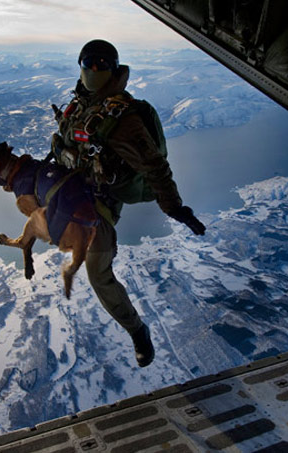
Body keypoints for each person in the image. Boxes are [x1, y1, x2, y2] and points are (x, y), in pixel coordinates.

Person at [50, 39, 206, 367]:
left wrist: (174, 207)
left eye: (102, 64)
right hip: (71, 187)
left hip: (100, 200)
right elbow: (68, 145)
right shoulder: (79, 105)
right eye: (88, 62)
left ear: (113, 69)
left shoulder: (122, 118)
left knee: (96, 271)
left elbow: (154, 166)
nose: (94, 70)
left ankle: (136, 330)